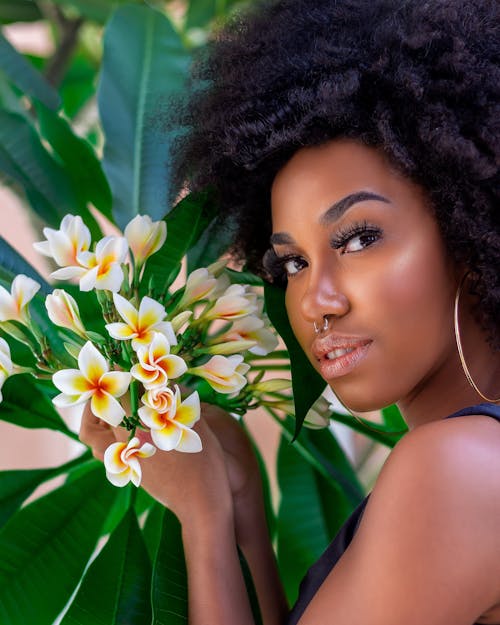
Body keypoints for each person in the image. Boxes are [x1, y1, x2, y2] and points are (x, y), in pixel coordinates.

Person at [80, 0, 500, 623]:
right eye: (292, 264)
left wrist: (201, 518)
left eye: (359, 238)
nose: (313, 302)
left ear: (468, 230)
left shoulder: (457, 469)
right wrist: (240, 505)